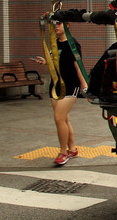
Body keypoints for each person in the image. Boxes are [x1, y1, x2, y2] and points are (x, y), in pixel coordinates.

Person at [34, 20, 88, 166]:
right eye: (54, 24)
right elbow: (56, 61)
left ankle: (63, 152)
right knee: (63, 119)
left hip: (71, 86)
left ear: (67, 25)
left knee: (58, 118)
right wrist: (45, 61)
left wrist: (85, 87)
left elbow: (78, 67)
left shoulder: (73, 44)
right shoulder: (54, 43)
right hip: (55, 86)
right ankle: (72, 149)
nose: (56, 27)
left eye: (59, 23)